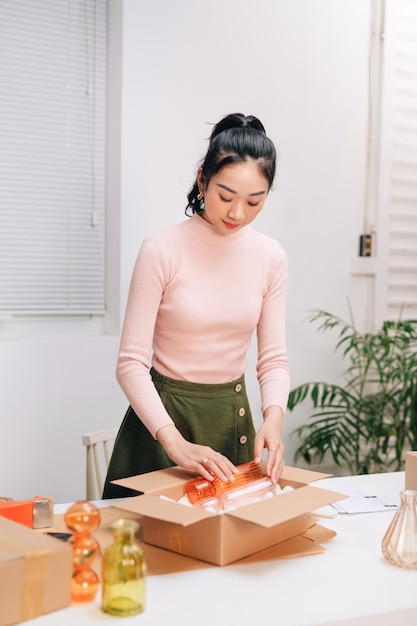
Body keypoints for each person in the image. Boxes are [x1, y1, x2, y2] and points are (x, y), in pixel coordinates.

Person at [102, 112, 290, 499]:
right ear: (202, 179)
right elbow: (130, 364)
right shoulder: (162, 249)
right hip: (163, 425)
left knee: (232, 548)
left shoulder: (271, 257)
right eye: (225, 196)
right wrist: (173, 441)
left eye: (255, 201)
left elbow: (272, 360)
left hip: (231, 422)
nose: (238, 213)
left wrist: (274, 416)